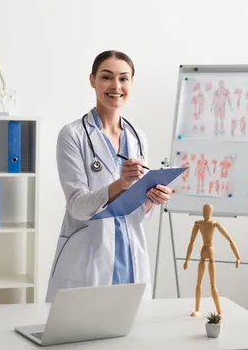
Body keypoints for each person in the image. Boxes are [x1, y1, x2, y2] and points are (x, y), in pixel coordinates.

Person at [45, 50, 172, 302]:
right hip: (89, 251)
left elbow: (136, 209)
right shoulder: (72, 135)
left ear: (131, 83)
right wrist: (121, 184)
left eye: (124, 79)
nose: (116, 86)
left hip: (129, 251)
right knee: (81, 333)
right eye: (107, 77)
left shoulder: (137, 137)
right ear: (92, 80)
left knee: (129, 334)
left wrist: (152, 199)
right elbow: (78, 207)